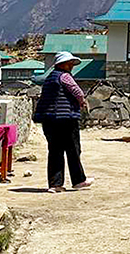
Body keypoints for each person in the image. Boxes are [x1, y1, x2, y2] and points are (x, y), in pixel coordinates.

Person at [32, 51, 94, 193]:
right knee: (73, 149)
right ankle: (78, 180)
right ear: (62, 64)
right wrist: (82, 102)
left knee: (55, 151)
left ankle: (55, 184)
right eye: (69, 63)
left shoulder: (49, 78)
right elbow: (77, 92)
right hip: (66, 118)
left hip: (49, 119)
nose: (71, 66)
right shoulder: (65, 76)